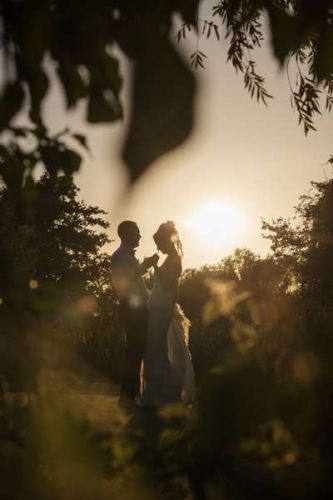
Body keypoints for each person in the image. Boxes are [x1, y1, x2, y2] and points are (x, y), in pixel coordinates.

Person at [141, 221, 195, 408]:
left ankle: (163, 393)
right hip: (158, 307)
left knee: (156, 348)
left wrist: (154, 267)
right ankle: (159, 392)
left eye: (158, 243)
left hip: (162, 310)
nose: (157, 247)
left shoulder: (174, 259)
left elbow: (169, 285)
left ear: (166, 241)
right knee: (156, 348)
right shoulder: (170, 258)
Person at [110, 221, 159, 407]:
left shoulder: (125, 256)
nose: (139, 236)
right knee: (133, 351)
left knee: (136, 350)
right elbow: (127, 281)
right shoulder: (119, 256)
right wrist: (147, 264)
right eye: (136, 233)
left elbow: (138, 286)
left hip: (136, 307)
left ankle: (130, 394)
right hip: (131, 309)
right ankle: (127, 396)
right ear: (126, 234)